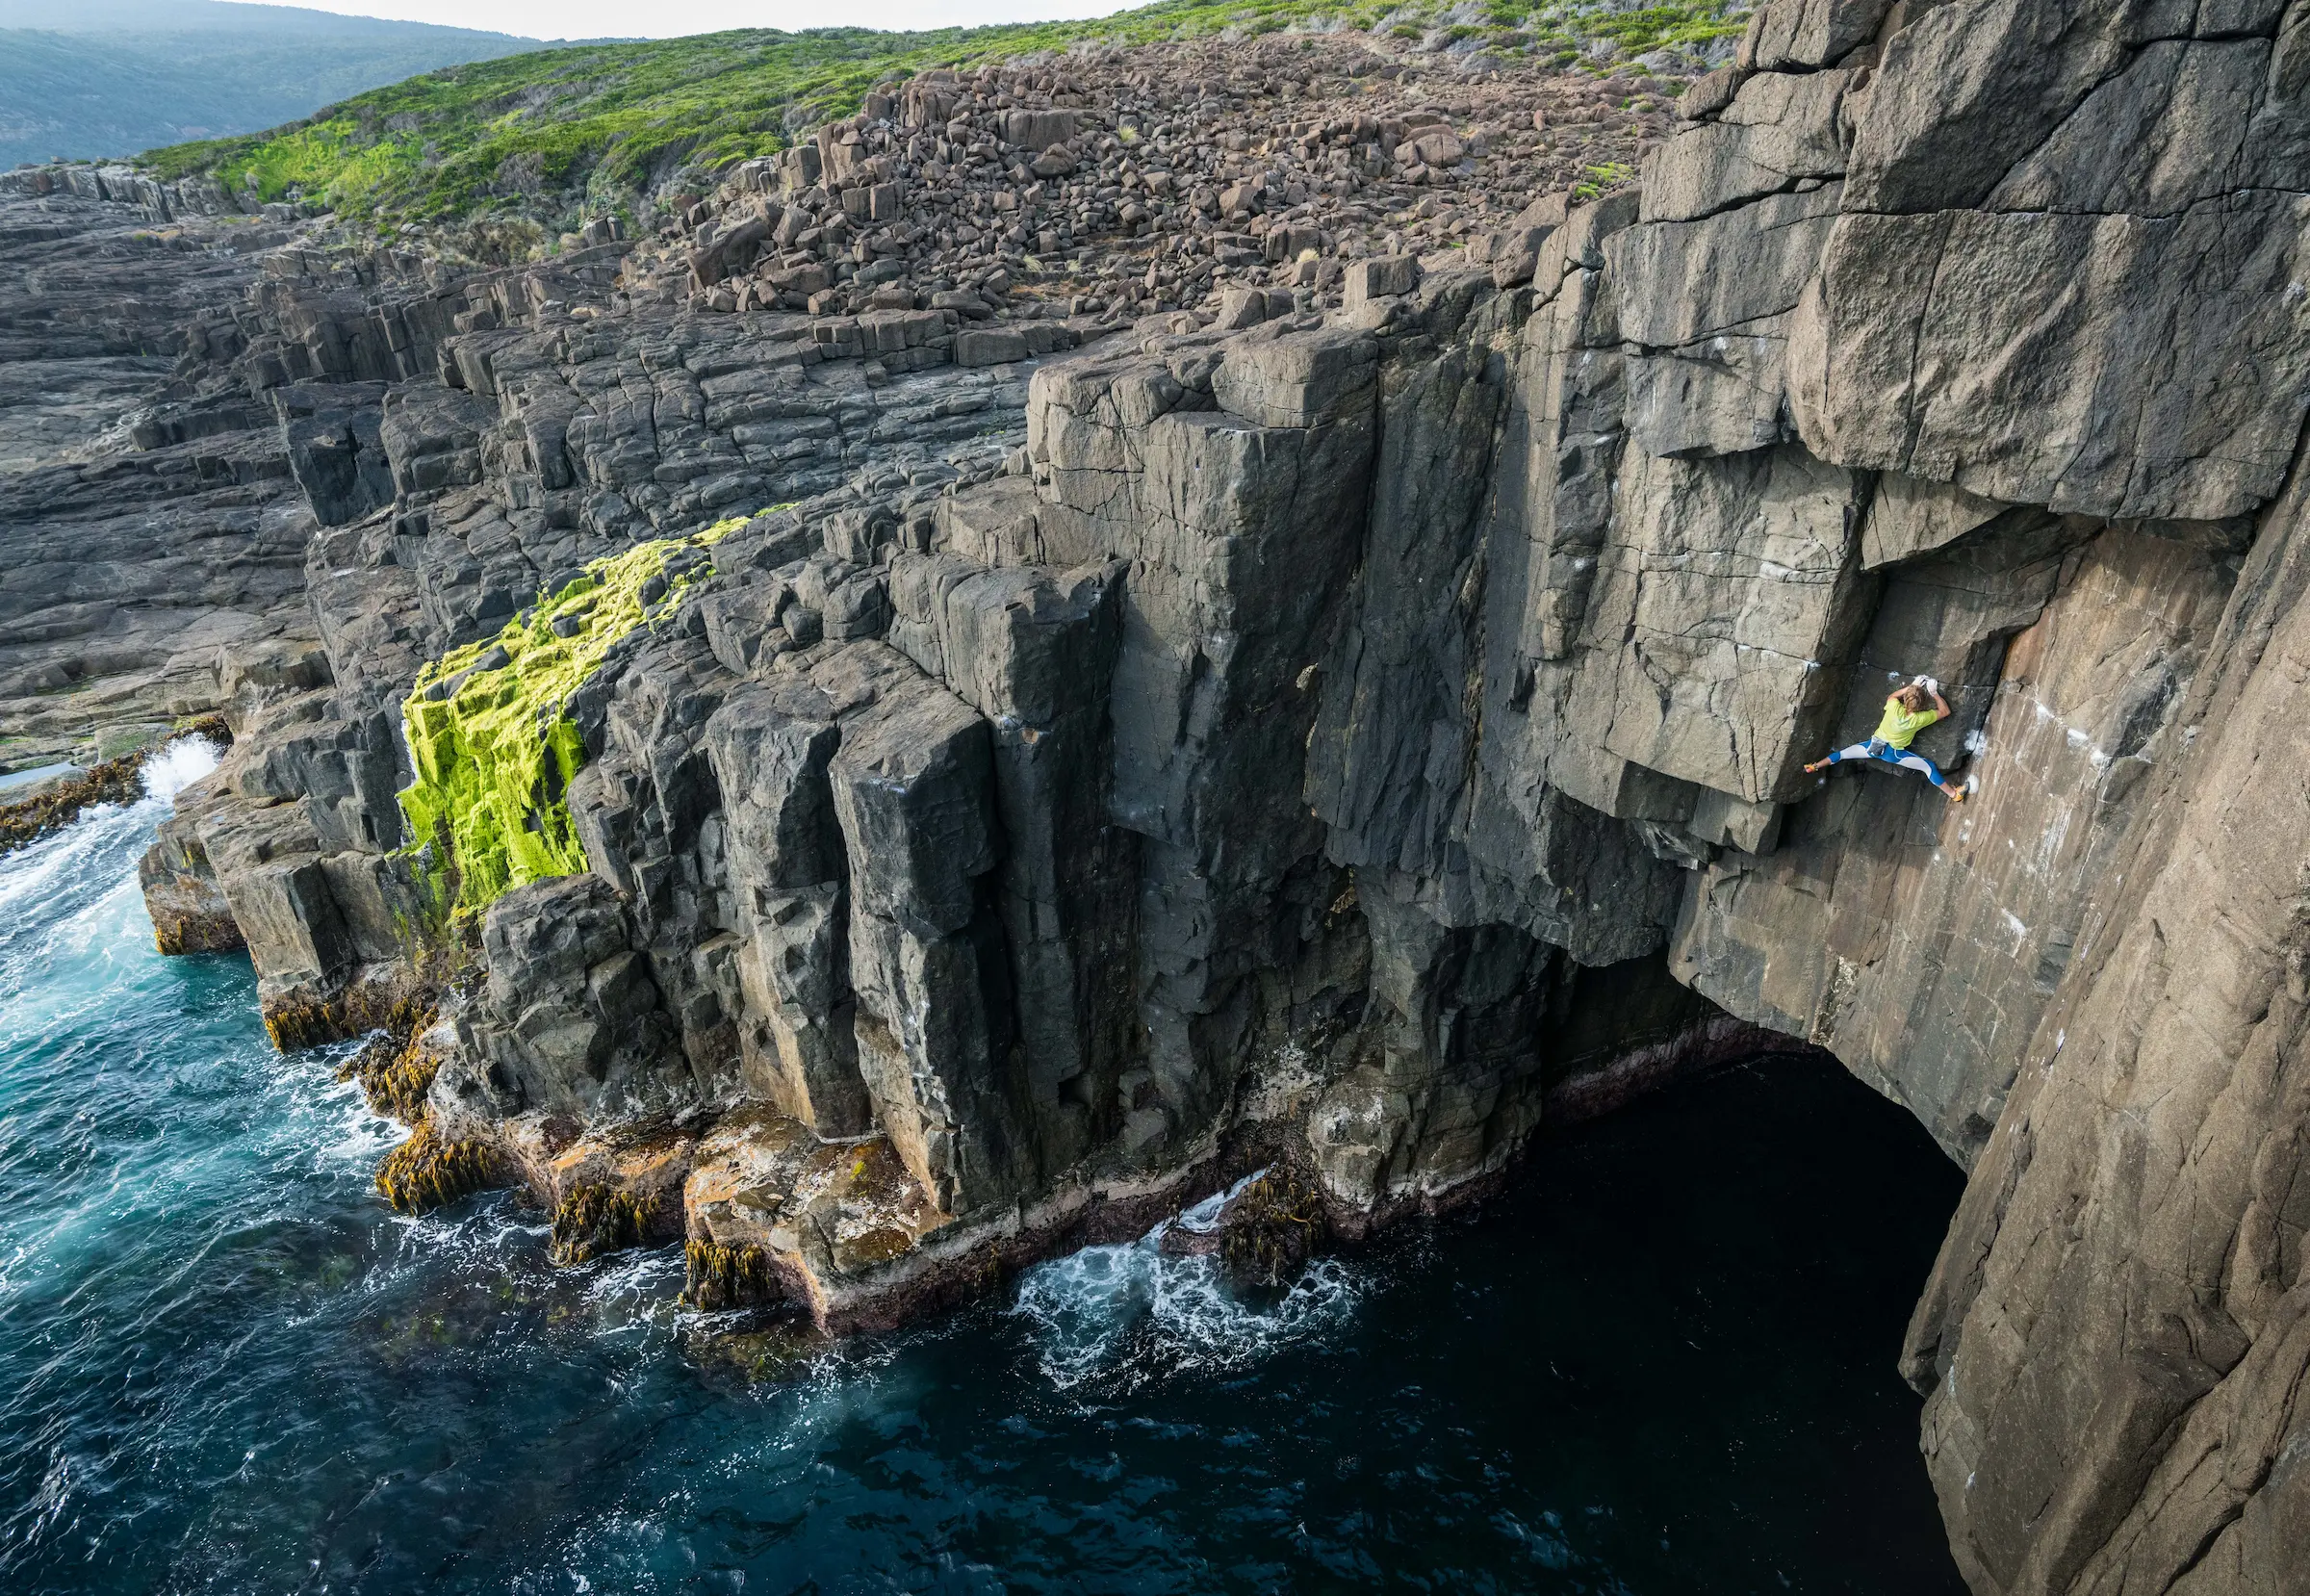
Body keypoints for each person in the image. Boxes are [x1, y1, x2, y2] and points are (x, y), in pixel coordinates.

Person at [1804, 679, 1967, 802]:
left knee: (1842, 754)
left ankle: (1815, 766)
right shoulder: (1920, 718)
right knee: (1928, 767)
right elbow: (1945, 711)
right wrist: (1934, 693)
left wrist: (1910, 687)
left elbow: (1891, 696)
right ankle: (1954, 794)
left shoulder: (1894, 707)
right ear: (1923, 705)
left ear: (1906, 699)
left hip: (1874, 746)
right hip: (1893, 753)